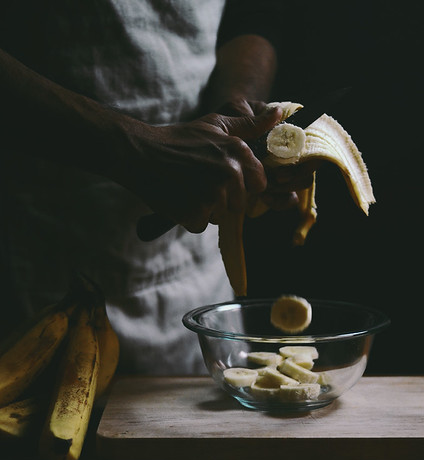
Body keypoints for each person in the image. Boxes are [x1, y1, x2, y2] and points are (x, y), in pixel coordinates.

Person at [0, 1, 315, 375]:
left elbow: (252, 12)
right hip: (36, 262)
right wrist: (132, 149)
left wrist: (236, 117)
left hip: (195, 272)